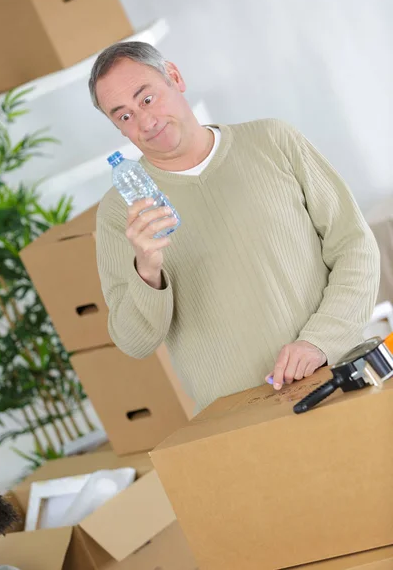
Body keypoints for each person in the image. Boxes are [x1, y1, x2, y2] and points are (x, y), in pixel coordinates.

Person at [90, 42, 380, 412]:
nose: (145, 122)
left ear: (175, 77)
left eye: (146, 99)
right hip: (239, 421)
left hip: (342, 379)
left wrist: (319, 342)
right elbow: (134, 342)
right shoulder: (121, 211)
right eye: (124, 117)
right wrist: (146, 271)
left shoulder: (273, 140)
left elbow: (355, 248)